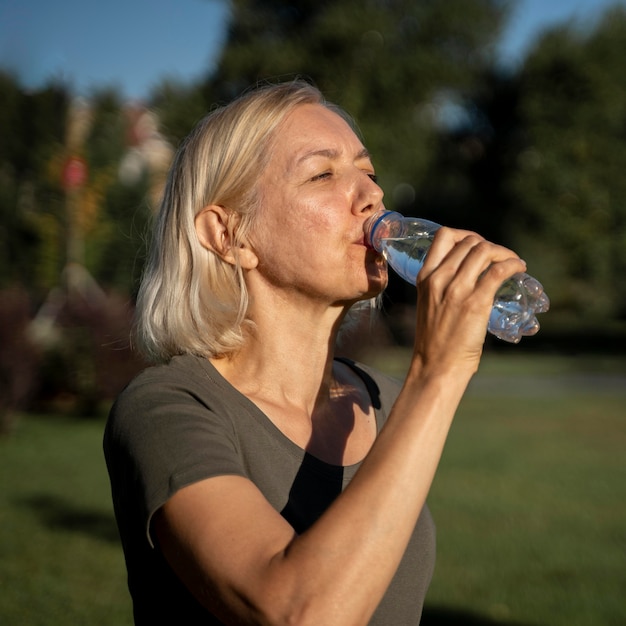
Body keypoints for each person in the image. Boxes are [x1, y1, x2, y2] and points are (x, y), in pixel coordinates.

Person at [104, 79, 527, 626]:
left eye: (367, 172)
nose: (371, 195)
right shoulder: (168, 409)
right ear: (229, 235)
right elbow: (298, 613)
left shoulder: (382, 401)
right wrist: (439, 372)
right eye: (322, 173)